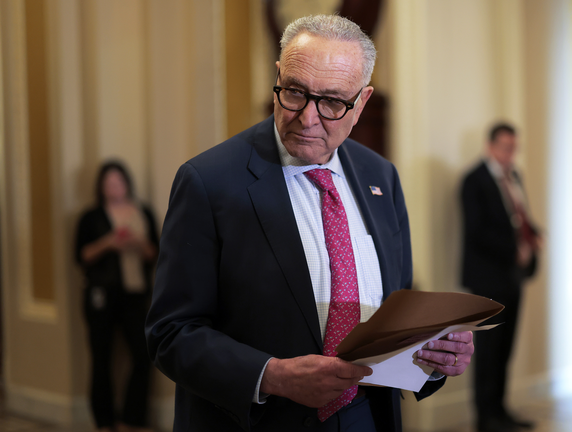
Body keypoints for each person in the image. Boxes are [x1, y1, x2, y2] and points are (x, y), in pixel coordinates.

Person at [145, 15, 475, 432]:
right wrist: (274, 375)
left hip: (368, 417)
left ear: (363, 102)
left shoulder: (381, 177)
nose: (307, 118)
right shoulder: (209, 182)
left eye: (333, 102)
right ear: (279, 76)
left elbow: (395, 312)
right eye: (295, 93)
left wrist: (433, 356)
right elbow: (171, 333)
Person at [459, 123, 542, 432]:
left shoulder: (514, 177)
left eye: (514, 148)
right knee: (488, 351)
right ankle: (485, 418)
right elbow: (477, 232)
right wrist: (514, 249)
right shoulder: (473, 181)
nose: (510, 154)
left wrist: (533, 235)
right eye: (506, 148)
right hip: (487, 280)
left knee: (506, 349)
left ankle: (501, 410)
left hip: (512, 277)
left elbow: (518, 219)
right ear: (491, 146)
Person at [75, 161, 160, 432]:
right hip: (101, 296)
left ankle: (131, 419)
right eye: (108, 182)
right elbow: (82, 256)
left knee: (142, 355)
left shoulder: (143, 212)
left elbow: (155, 253)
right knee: (101, 360)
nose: (114, 186)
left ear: (126, 183)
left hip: (135, 296)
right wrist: (108, 243)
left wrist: (136, 242)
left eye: (118, 181)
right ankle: (104, 422)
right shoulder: (91, 217)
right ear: (101, 187)